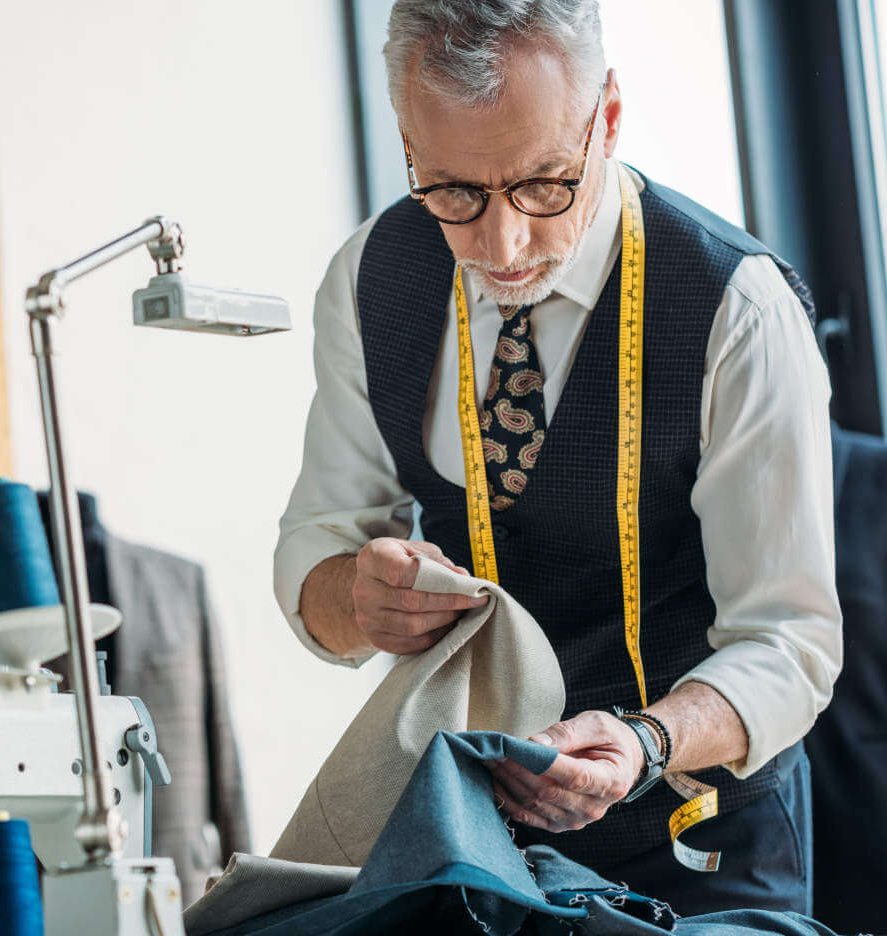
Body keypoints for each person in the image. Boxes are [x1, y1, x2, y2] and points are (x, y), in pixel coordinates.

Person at [273, 0, 841, 916]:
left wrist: (647, 742)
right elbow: (319, 545)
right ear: (409, 140)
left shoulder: (737, 307)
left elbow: (790, 643)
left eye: (544, 184)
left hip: (701, 836)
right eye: (454, 191)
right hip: (477, 838)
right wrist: (359, 598)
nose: (501, 245)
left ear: (606, 118)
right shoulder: (368, 279)